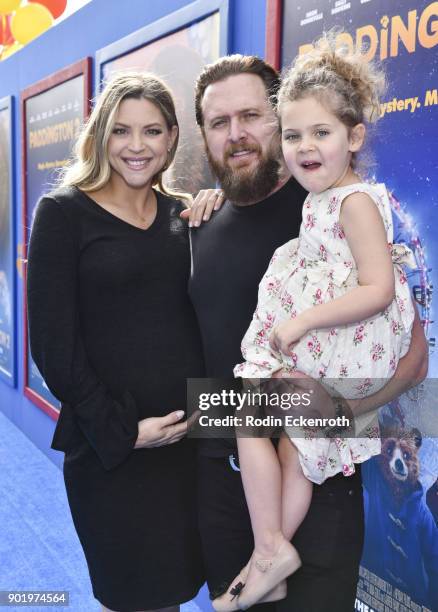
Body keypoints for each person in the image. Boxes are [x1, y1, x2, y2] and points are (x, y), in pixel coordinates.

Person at [186, 54, 428, 612]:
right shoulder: (201, 221)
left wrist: (342, 408)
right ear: (201, 134)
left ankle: (270, 553)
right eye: (218, 122)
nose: (237, 133)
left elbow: (411, 353)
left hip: (326, 485)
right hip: (231, 485)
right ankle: (267, 554)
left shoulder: (353, 202)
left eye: (252, 116)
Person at [27, 72, 205, 612]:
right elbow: (53, 346)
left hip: (185, 445)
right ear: (101, 134)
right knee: (131, 594)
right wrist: (124, 432)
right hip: (112, 451)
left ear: (172, 138)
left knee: (173, 592)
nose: (136, 146)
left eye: (152, 131)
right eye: (121, 130)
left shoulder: (183, 214)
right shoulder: (62, 213)